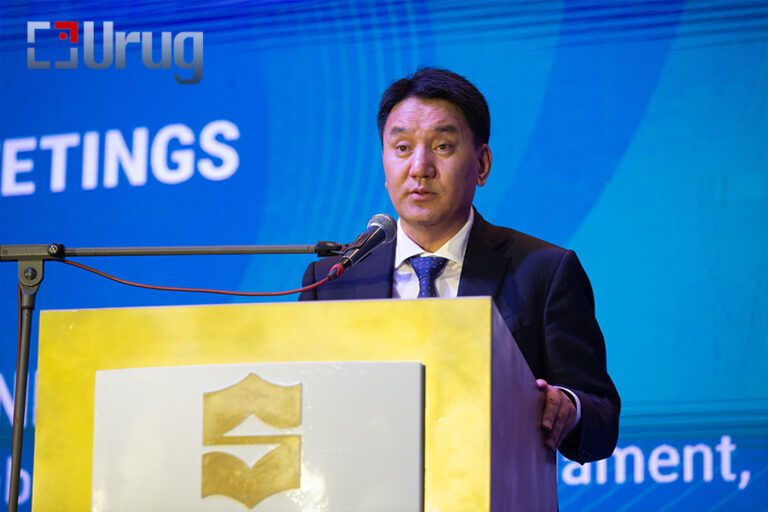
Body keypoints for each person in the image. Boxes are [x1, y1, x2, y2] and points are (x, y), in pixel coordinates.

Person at [300, 67, 619, 464]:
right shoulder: (333, 280)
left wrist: (567, 407)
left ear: (482, 164)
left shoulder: (543, 271)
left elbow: (602, 421)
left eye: (443, 146)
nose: (419, 167)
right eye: (402, 148)